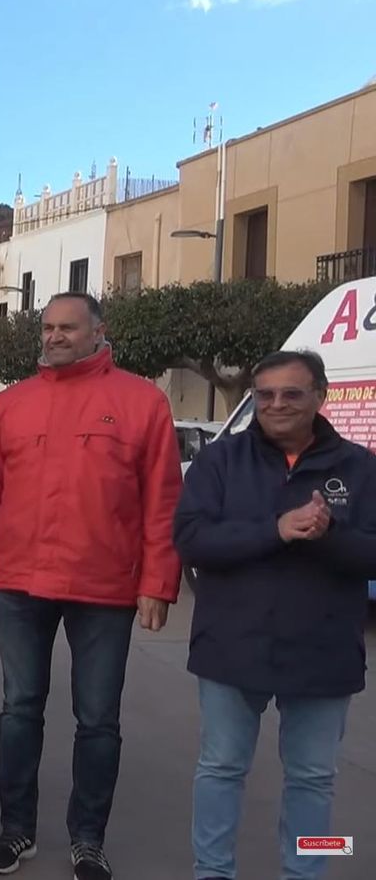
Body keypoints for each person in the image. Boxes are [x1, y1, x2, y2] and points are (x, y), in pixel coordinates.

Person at [0, 292, 183, 880]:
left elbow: (163, 503)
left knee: (98, 719)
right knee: (19, 709)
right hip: (20, 584)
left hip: (104, 588)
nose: (54, 337)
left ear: (99, 331)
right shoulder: (12, 403)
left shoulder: (142, 402)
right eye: (48, 327)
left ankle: (88, 840)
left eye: (67, 328)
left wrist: (158, 582)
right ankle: (16, 832)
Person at [175, 350, 376, 880]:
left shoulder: (360, 467)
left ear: (320, 395)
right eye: (265, 395)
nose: (276, 404)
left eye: (291, 393)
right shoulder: (220, 462)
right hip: (232, 646)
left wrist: (329, 534)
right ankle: (212, 872)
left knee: (314, 779)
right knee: (220, 770)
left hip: (323, 652)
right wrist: (277, 529)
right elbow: (192, 540)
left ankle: (306, 872)